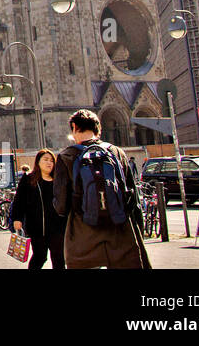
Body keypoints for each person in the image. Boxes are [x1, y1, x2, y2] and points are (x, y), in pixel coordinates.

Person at [53, 109, 151, 269]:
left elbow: (61, 206)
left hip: (83, 236)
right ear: (98, 128)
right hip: (120, 233)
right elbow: (133, 197)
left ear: (74, 126)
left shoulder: (66, 156)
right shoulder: (116, 152)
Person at [10, 148, 67, 269]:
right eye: (45, 160)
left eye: (52, 160)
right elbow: (19, 201)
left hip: (57, 227)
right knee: (40, 257)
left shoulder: (58, 180)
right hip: (37, 227)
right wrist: (17, 218)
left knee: (59, 258)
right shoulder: (28, 180)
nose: (49, 163)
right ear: (38, 162)